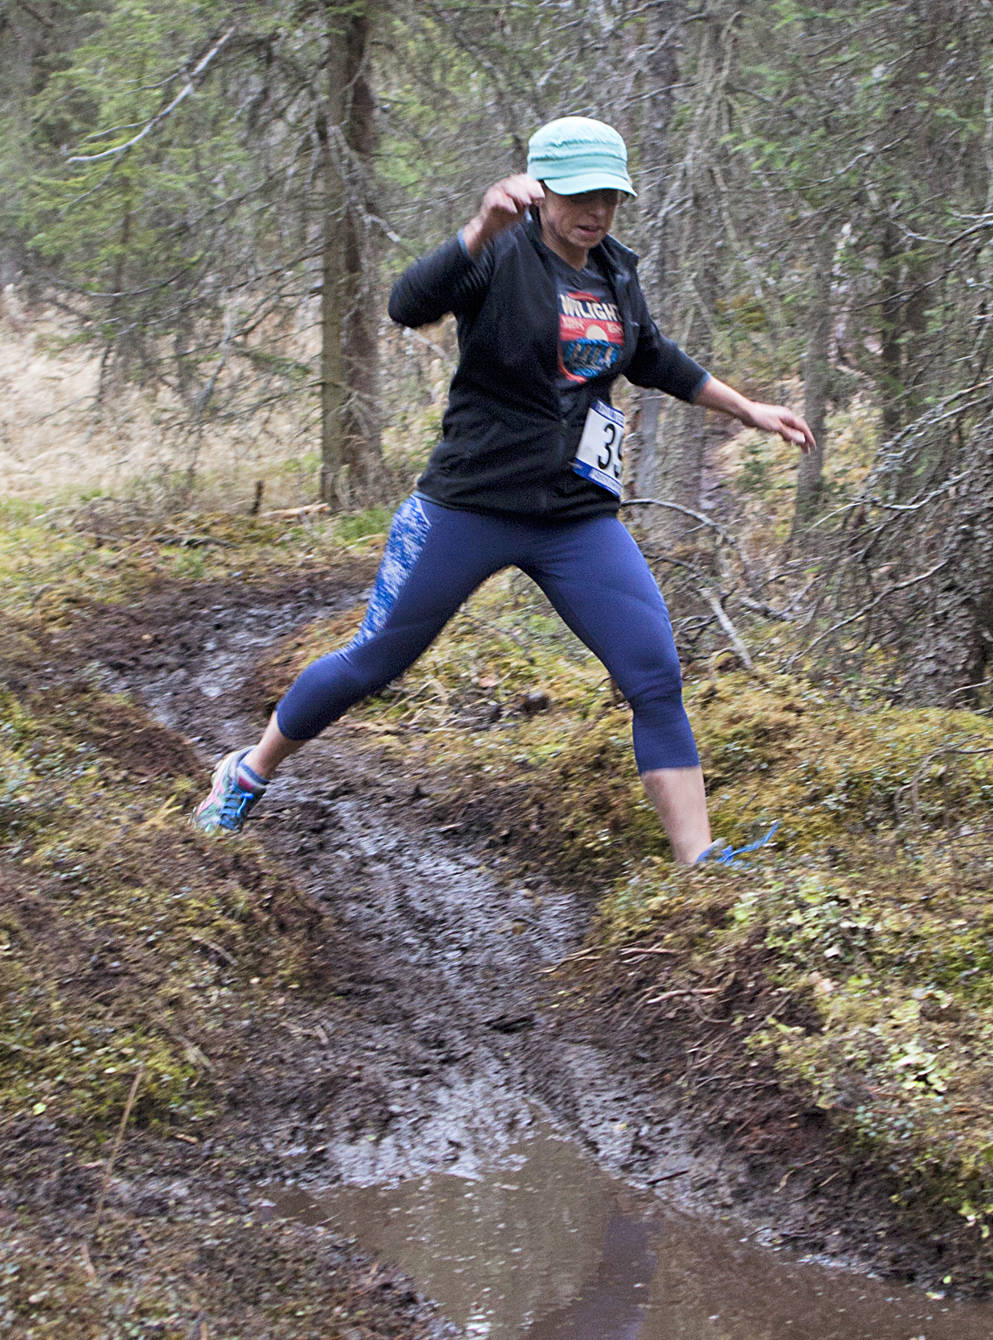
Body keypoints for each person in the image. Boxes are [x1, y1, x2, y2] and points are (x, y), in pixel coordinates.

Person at [193, 115, 814, 865]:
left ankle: (698, 863)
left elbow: (651, 354)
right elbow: (406, 303)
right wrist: (479, 227)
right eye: (582, 195)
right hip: (468, 507)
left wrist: (746, 407)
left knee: (653, 673)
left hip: (573, 518)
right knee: (374, 662)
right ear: (539, 188)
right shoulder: (496, 256)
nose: (597, 212)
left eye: (610, 198)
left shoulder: (613, 267)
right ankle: (248, 772)